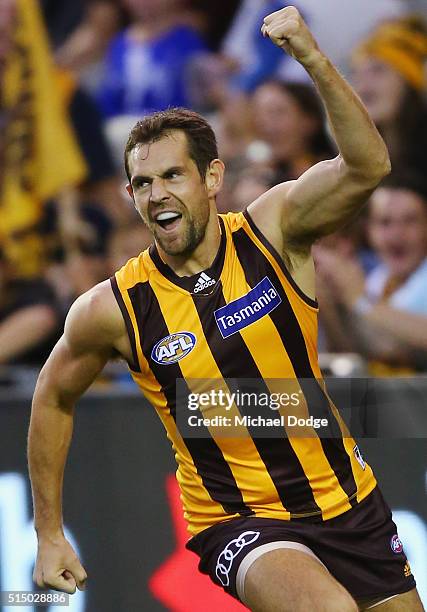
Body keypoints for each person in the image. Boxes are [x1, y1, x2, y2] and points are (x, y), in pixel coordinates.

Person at [28, 8, 423, 611]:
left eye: (172, 176)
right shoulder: (114, 308)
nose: (157, 194)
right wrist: (49, 532)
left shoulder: (275, 229)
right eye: (141, 183)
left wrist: (314, 60)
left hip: (346, 501)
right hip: (239, 520)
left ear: (212, 176)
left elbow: (368, 166)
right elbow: (53, 396)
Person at [315, 173, 427, 375]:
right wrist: (329, 303)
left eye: (410, 221)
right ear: (369, 231)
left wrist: (357, 299)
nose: (396, 235)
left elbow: (393, 345)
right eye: (385, 222)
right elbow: (359, 351)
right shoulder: (378, 278)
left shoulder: (364, 290)